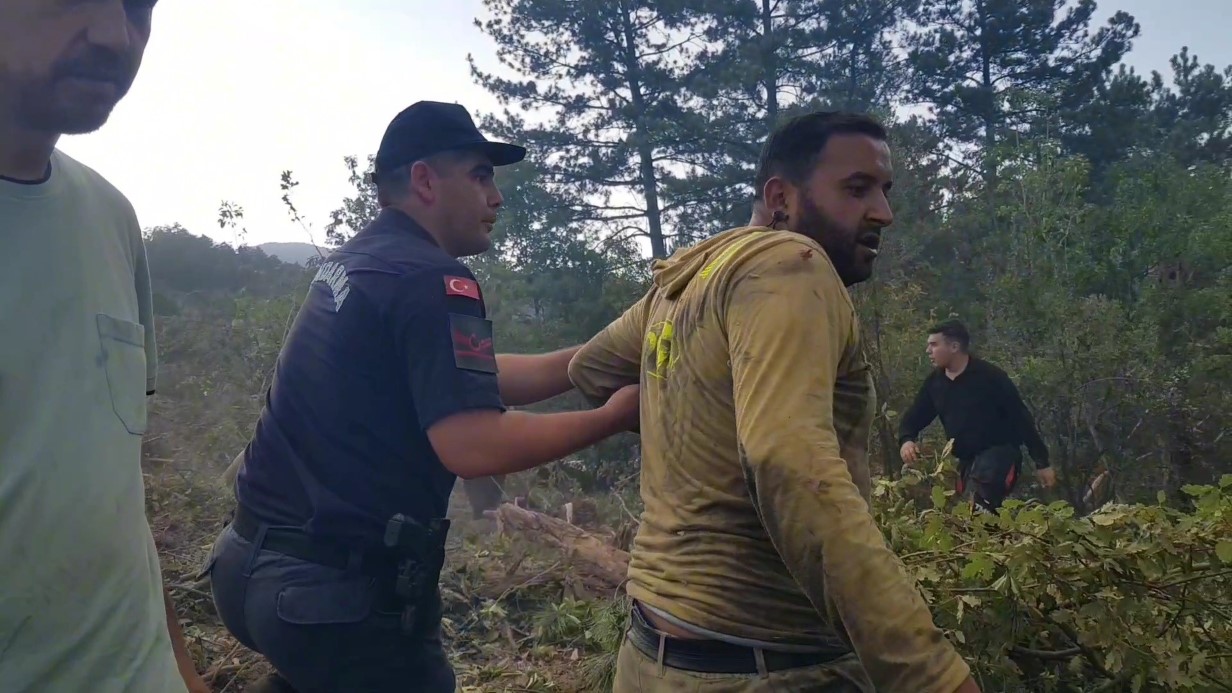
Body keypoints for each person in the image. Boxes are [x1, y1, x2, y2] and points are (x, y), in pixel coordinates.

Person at [204, 100, 639, 693]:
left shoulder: (361, 260)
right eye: (480, 175)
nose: (497, 197)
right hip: (335, 597)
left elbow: (467, 375)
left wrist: (587, 362)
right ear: (425, 180)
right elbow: (472, 444)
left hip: (247, 566)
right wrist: (613, 417)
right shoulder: (430, 278)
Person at [569, 111, 979, 692]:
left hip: (651, 658)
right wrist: (929, 674)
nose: (883, 212)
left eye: (885, 191)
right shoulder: (793, 263)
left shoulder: (689, 279)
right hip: (770, 666)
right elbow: (789, 460)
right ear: (780, 197)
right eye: (857, 189)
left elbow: (589, 368)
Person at [0, 2, 208, 692]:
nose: (117, 36)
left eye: (139, 6)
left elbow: (118, 493)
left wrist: (181, 670)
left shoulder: (112, 217)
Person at [897, 319, 1055, 513]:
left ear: (954, 346)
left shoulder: (990, 377)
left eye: (934, 344)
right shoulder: (935, 383)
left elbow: (1021, 418)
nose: (928, 351)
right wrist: (906, 440)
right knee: (972, 518)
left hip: (999, 455)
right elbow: (915, 416)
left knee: (975, 512)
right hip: (967, 461)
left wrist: (1042, 463)